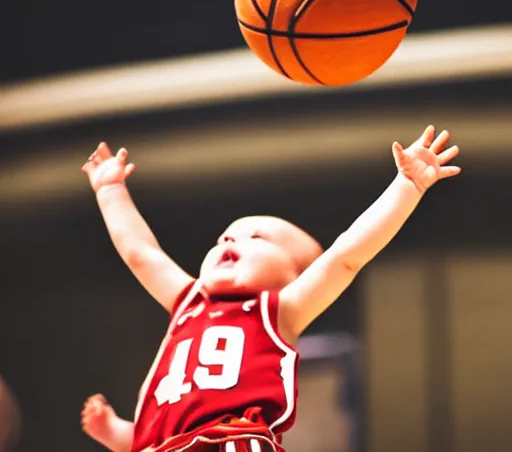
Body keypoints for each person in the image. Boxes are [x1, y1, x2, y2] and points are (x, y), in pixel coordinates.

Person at [80, 126, 460, 452]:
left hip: (235, 441)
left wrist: (406, 186)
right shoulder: (188, 301)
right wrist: (111, 190)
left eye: (256, 237)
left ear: (296, 274)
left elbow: (346, 255)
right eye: (225, 236)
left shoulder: (278, 311)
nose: (231, 241)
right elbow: (141, 254)